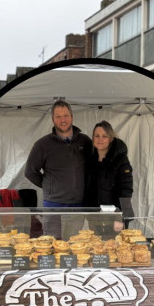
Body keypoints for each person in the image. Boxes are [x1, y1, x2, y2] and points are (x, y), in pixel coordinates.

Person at [24, 100, 92, 237]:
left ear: (72, 117)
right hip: (54, 205)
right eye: (58, 116)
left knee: (73, 246)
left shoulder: (85, 141)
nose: (63, 120)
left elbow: (93, 169)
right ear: (53, 119)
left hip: (78, 205)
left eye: (66, 115)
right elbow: (30, 172)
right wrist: (49, 186)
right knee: (53, 245)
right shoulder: (43, 144)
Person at [85, 120, 135, 234]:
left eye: (104, 136)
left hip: (114, 218)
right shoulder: (90, 160)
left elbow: (126, 191)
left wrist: (119, 218)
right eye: (97, 136)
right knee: (97, 249)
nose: (100, 139)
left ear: (111, 139)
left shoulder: (120, 160)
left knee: (114, 249)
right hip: (95, 217)